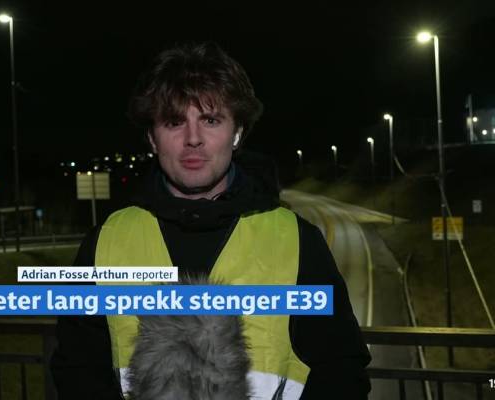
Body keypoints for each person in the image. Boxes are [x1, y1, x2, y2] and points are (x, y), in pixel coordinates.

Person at [50, 41, 371, 399]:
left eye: (211, 120)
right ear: (152, 138)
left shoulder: (298, 242)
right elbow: (76, 373)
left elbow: (342, 374)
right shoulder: (105, 243)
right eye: (174, 122)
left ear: (237, 133)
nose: (193, 139)